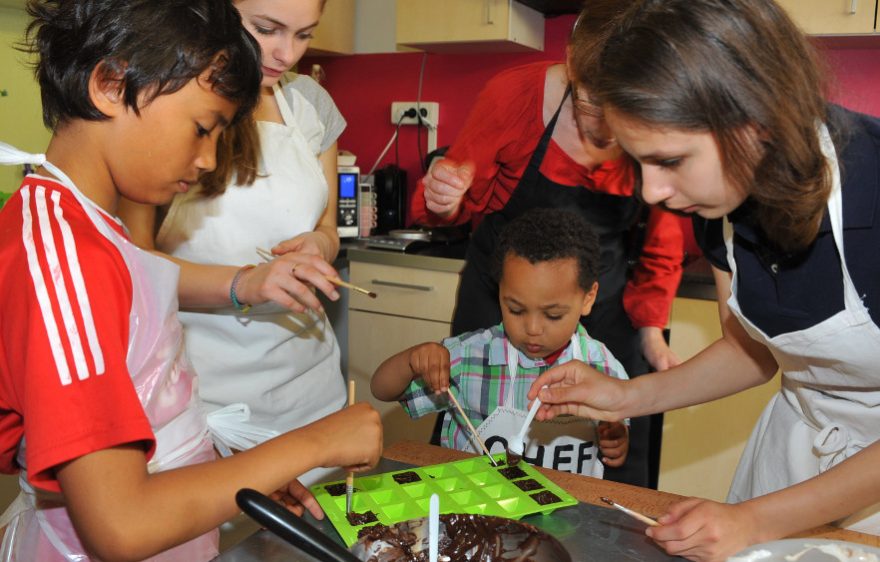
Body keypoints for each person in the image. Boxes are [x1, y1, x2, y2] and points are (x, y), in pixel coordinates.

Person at [0, 1, 382, 560]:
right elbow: (121, 523)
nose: (208, 159)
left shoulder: (94, 230)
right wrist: (315, 442)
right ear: (110, 84)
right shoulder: (66, 260)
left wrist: (237, 477)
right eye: (202, 129)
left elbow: (150, 410)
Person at [530, 0, 880, 559]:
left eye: (669, 161)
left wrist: (755, 521)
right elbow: (752, 352)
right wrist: (625, 396)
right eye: (640, 163)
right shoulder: (723, 208)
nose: (650, 192)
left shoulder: (874, 191)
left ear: (753, 120)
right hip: (795, 454)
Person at [410, 0, 684, 488]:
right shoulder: (513, 94)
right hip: (502, 292)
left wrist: (650, 329)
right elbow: (453, 195)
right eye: (589, 104)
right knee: (475, 432)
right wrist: (444, 197)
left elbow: (663, 235)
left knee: (611, 447)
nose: (603, 127)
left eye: (620, 109)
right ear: (571, 64)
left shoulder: (657, 112)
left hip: (604, 302)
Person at [118, 0, 349, 484]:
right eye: (267, 29)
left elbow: (328, 226)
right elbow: (132, 265)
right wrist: (245, 283)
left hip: (310, 387)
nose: (286, 54)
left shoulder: (308, 101)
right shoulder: (168, 96)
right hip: (209, 399)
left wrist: (318, 247)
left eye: (305, 35)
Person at [372, 209, 629, 477]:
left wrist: (617, 439)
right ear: (500, 292)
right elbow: (382, 389)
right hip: (472, 508)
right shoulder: (468, 357)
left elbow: (616, 435)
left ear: (588, 298)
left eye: (553, 315)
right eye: (516, 310)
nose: (532, 329)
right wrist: (412, 360)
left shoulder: (603, 368)